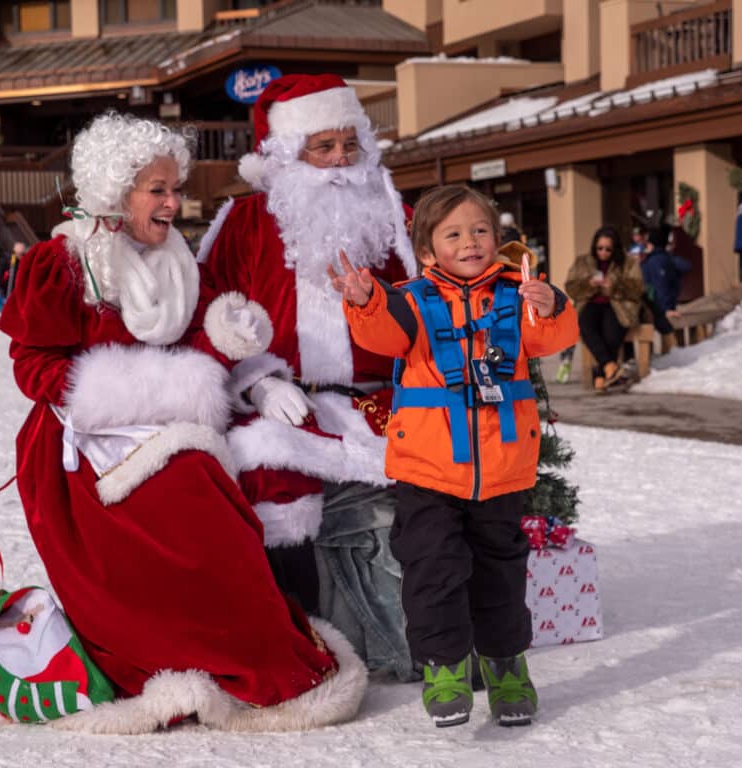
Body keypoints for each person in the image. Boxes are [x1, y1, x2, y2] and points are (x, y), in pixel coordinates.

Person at [0, 112, 365, 733]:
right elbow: (34, 366)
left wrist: (226, 340)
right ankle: (187, 657)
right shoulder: (59, 262)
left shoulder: (175, 261)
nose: (173, 203)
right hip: (82, 449)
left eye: (176, 189)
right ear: (117, 192)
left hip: (171, 435)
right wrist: (130, 395)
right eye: (158, 191)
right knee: (189, 501)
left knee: (216, 500)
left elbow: (192, 344)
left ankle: (251, 652)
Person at [329, 184, 578, 727]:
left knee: (501, 574)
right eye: (454, 234)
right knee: (432, 571)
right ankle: (444, 667)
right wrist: (362, 298)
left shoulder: (517, 292)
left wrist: (553, 304)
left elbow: (552, 337)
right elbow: (381, 335)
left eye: (481, 230)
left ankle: (507, 666)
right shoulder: (411, 300)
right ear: (425, 251)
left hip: (503, 470)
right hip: (427, 472)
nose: (471, 242)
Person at [198, 73, 419, 681]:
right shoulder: (242, 223)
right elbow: (209, 315)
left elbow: (433, 309)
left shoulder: (394, 214)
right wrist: (260, 383)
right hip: (283, 406)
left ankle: (402, 635)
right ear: (285, 155)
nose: (341, 161)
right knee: (272, 488)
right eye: (323, 147)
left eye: (350, 144)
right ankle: (300, 644)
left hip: (382, 409)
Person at [564, 225, 644, 393]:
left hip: (618, 305)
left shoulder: (627, 263)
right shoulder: (583, 262)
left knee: (612, 332)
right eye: (600, 248)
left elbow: (637, 289)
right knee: (584, 324)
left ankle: (601, 374)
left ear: (615, 249)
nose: (603, 252)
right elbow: (571, 287)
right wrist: (588, 284)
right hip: (589, 303)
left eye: (608, 249)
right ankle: (610, 368)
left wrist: (615, 286)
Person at [640, 227, 690, 352]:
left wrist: (666, 309)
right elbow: (685, 266)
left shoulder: (655, 261)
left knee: (661, 328)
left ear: (652, 244)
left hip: (657, 307)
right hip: (665, 304)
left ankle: (666, 353)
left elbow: (660, 287)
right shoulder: (666, 258)